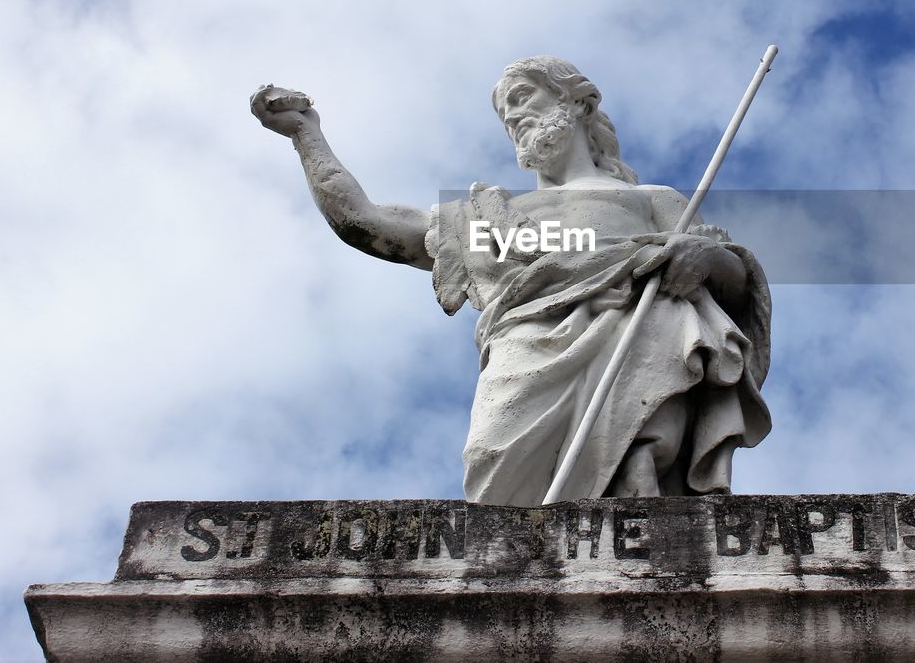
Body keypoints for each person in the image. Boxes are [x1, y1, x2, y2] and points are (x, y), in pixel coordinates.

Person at [251, 56, 771, 506]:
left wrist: (701, 254)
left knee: (644, 451)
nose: (515, 118)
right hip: (527, 342)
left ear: (580, 104)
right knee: (493, 460)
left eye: (524, 98)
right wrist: (307, 135)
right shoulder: (488, 218)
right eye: (506, 114)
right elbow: (366, 224)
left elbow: (732, 281)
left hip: (640, 328)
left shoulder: (650, 199)